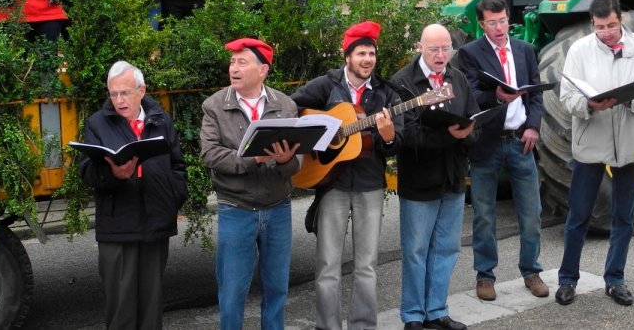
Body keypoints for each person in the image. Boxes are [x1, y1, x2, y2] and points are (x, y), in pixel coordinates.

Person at [290, 20, 401, 330]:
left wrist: (388, 137)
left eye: (372, 54)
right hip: (332, 184)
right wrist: (319, 135)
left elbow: (397, 143)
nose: (367, 60)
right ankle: (327, 326)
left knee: (367, 265)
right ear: (347, 57)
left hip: (369, 185)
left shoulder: (386, 93)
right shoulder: (326, 85)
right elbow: (292, 107)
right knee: (328, 264)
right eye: (361, 53)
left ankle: (363, 325)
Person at [554, 0, 634, 307]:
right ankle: (567, 280)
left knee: (624, 216)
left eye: (611, 26)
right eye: (599, 27)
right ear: (592, 24)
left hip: (630, 142)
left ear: (621, 20)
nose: (606, 32)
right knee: (579, 215)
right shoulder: (579, 50)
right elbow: (567, 97)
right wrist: (589, 104)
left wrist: (631, 100)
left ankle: (615, 279)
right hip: (591, 143)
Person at [77, 61, 187, 330]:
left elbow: (177, 166)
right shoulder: (97, 123)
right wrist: (114, 175)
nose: (119, 100)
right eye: (113, 94)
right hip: (118, 228)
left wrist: (173, 198)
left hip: (156, 224)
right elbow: (86, 172)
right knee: (121, 311)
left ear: (142, 91)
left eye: (125, 93)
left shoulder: (161, 120)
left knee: (151, 309)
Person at [199, 38, 300, 330]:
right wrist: (251, 158)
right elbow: (210, 154)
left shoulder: (285, 105)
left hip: (278, 207)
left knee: (277, 289)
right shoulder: (214, 105)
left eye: (242, 62)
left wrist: (285, 161)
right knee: (232, 293)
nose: (234, 68)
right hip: (236, 208)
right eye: (232, 62)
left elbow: (296, 165)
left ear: (263, 70)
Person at [453, 0, 548, 300]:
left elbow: (535, 93)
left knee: (531, 213)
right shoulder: (469, 53)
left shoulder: (524, 50)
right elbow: (469, 95)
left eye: (503, 20)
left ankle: (531, 271)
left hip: (520, 141)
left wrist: (533, 126)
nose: (499, 27)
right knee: (484, 214)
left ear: (509, 19)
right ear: (482, 24)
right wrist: (496, 96)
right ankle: (485, 275)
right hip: (487, 143)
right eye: (492, 22)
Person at [390, 24, 478, 330]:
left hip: (453, 176)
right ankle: (414, 314)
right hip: (419, 179)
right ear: (420, 48)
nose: (441, 55)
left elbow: (472, 119)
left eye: (446, 49)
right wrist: (450, 135)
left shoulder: (458, 78)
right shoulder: (403, 82)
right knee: (416, 251)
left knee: (447, 248)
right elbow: (405, 134)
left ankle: (437, 310)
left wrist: (468, 133)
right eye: (434, 49)